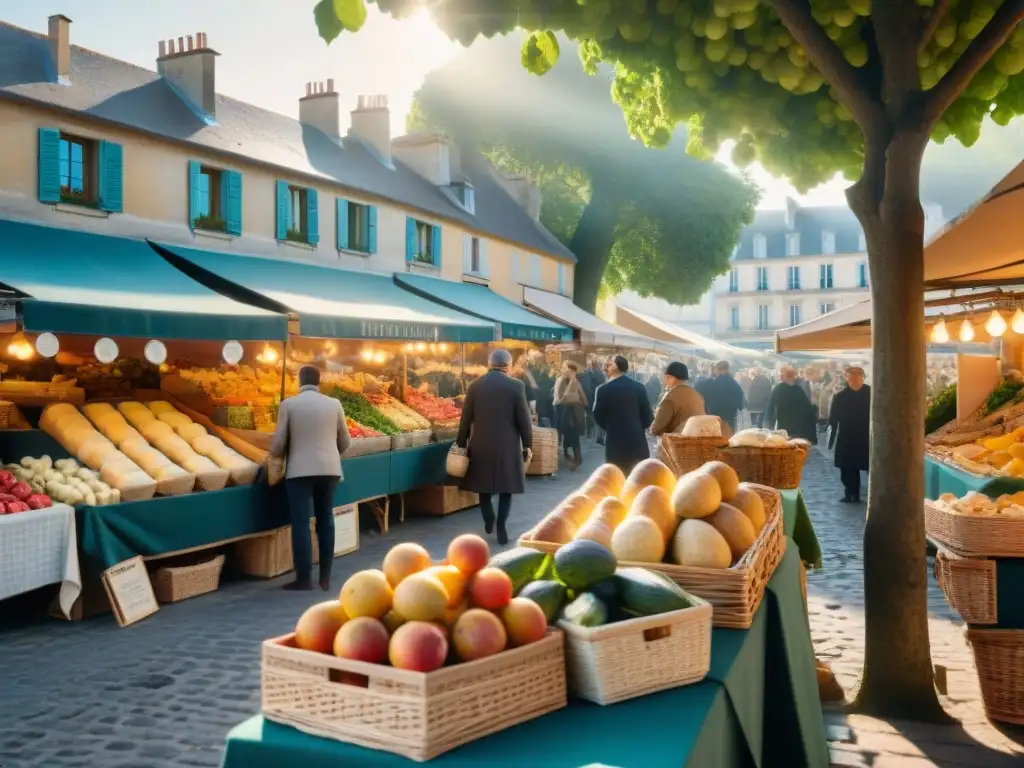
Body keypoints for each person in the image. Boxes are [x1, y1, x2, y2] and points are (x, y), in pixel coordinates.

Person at [269, 365, 352, 591]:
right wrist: (328, 451)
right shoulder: (334, 404)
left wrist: (278, 453)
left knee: (301, 524)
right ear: (319, 381)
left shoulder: (289, 404)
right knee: (326, 520)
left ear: (299, 381)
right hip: (330, 470)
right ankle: (325, 576)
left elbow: (277, 445)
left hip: (299, 472)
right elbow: (345, 442)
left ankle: (304, 579)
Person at [456, 348, 533, 545]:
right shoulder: (517, 386)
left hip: (481, 443)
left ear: (489, 365)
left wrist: (461, 442)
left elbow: (465, 419)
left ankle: (488, 518)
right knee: (506, 488)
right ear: (508, 366)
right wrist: (527, 445)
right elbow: (524, 419)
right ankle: (501, 525)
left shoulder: (475, 386)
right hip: (508, 444)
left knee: (484, 487)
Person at [593, 355, 654, 475]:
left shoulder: (603, 389)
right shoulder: (639, 387)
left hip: (614, 440)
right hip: (636, 439)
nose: (606, 367)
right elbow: (647, 415)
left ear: (617, 366)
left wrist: (610, 427)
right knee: (637, 475)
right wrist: (638, 426)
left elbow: (598, 415)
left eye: (609, 364)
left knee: (617, 475)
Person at [829, 367, 871, 503]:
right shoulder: (841, 396)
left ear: (862, 378)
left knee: (870, 466)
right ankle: (851, 493)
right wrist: (832, 432)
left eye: (856, 376)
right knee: (847, 468)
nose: (853, 379)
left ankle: (874, 494)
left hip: (867, 436)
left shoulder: (871, 394)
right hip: (847, 436)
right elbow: (833, 417)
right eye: (851, 376)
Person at [650, 361, 706, 436]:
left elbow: (657, 427)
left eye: (666, 377)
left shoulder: (671, 396)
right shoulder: (697, 394)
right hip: (697, 440)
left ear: (671, 377)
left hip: (677, 443)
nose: (665, 380)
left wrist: (652, 430)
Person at [763, 365, 818, 442]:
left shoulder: (778, 389)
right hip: (799, 430)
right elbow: (808, 411)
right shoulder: (799, 390)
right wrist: (814, 406)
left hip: (784, 430)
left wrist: (767, 425)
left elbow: (770, 407)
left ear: (783, 376)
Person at [554, 361, 588, 470]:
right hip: (565, 411)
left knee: (573, 436)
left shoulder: (575, 382)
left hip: (573, 413)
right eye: (563, 368)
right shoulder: (562, 380)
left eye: (565, 368)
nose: (563, 370)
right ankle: (570, 456)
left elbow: (578, 397)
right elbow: (560, 397)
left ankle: (577, 459)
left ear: (571, 370)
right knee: (568, 434)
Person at [696, 360, 746, 433]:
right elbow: (740, 404)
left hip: (713, 418)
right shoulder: (734, 384)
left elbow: (701, 396)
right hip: (729, 419)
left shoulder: (711, 383)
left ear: (717, 369)